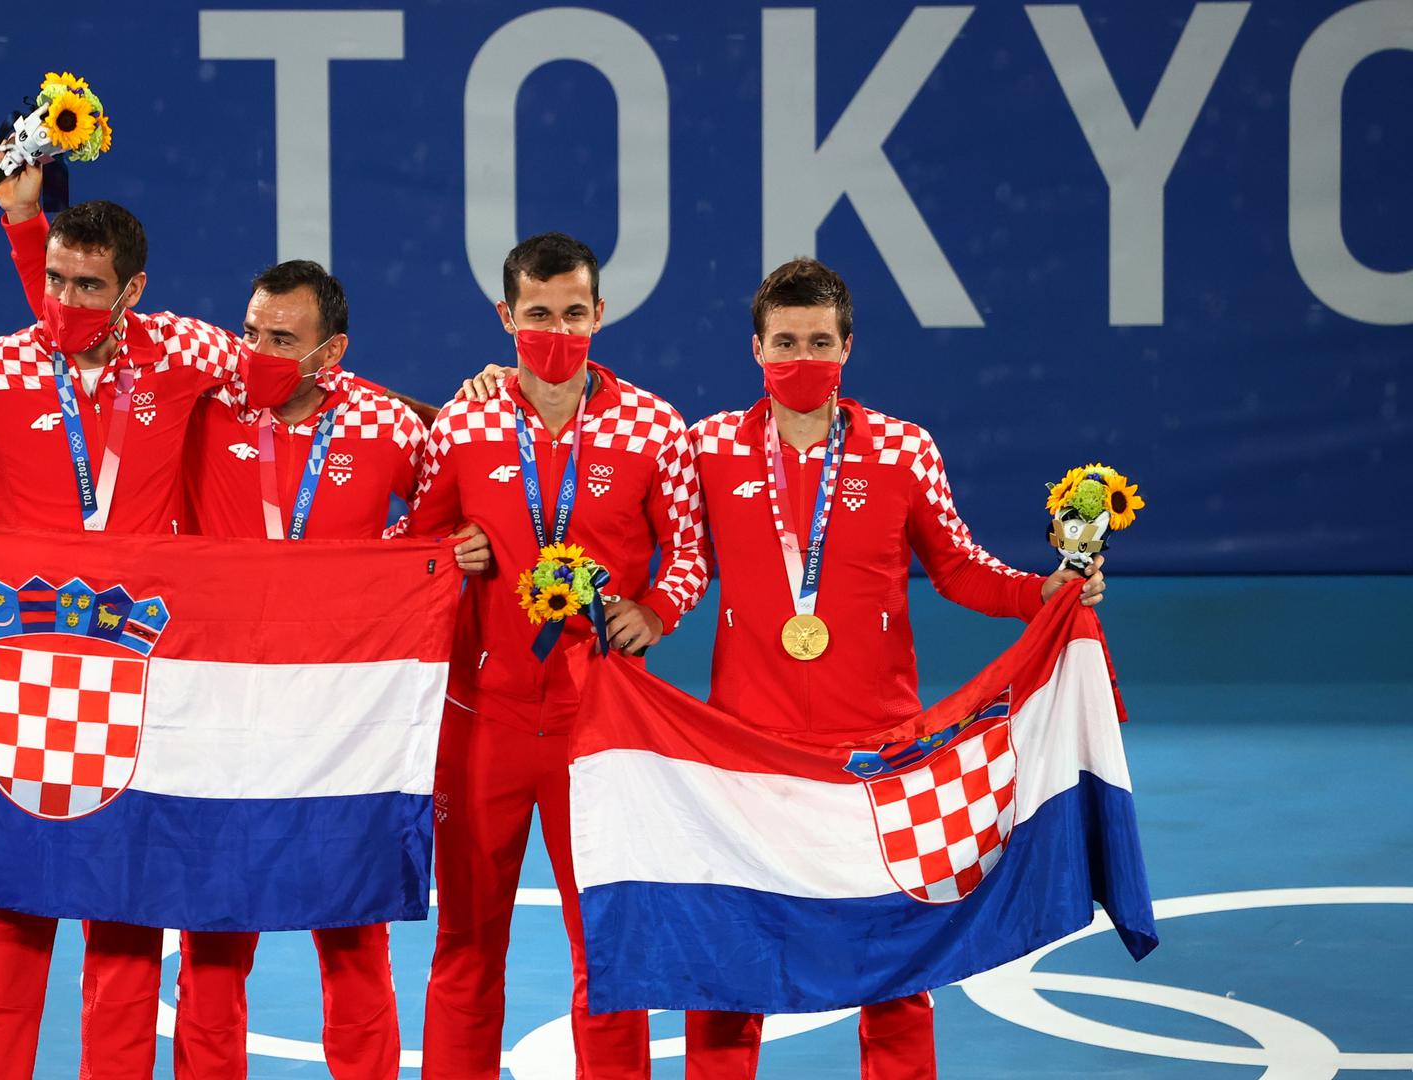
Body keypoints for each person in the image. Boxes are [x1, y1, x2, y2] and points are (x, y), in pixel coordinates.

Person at [0, 195, 301, 1080]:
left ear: (132, 290)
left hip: (135, 690)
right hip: (20, 695)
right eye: (55, 278)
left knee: (127, 947)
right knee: (7, 936)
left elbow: (291, 376)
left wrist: (477, 398)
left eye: (89, 286)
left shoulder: (182, 353)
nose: (64, 300)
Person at [681, 257, 1107, 1079]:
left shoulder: (904, 449)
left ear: (848, 347)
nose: (801, 358)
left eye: (819, 341)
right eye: (784, 342)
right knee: (732, 963)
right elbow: (670, 559)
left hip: (879, 751)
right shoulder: (705, 448)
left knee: (898, 968)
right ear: (755, 349)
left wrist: (1042, 592)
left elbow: (959, 567)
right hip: (747, 751)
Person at [173, 258, 491, 1080]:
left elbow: (461, 498)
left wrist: (492, 400)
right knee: (213, 939)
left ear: (332, 351)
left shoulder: (387, 425)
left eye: (283, 340)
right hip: (223, 710)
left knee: (353, 935)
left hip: (342, 716)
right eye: (251, 333)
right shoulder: (201, 407)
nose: (258, 353)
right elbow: (94, 338)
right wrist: (25, 225)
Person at [400, 232, 708, 1079]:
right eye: (538, 315)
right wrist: (442, 556)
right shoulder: (463, 422)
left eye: (574, 313)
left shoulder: (655, 427)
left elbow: (689, 554)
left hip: (601, 723)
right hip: (482, 722)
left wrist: (657, 610)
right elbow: (409, 544)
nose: (557, 332)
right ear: (506, 318)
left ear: (600, 313)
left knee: (608, 948)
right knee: (466, 944)